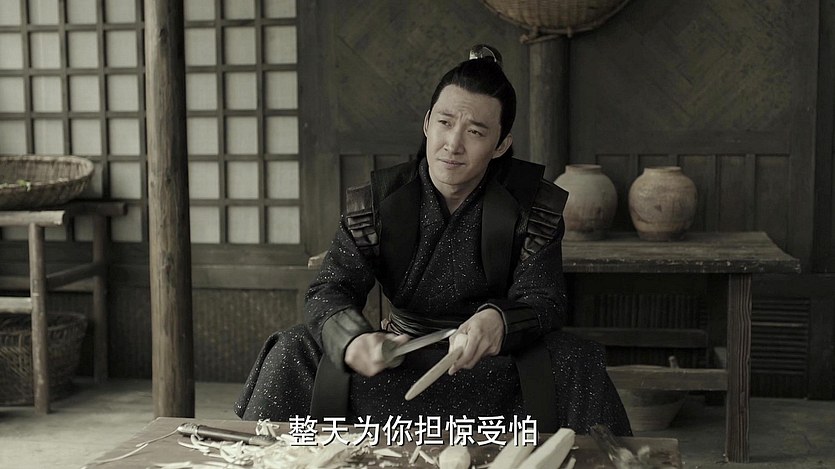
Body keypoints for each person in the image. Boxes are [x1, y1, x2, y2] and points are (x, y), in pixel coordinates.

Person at [235, 44, 631, 436]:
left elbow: (544, 299)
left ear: (501, 144)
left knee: (574, 359)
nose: (453, 144)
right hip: (399, 358)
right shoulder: (378, 201)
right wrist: (353, 340)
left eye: (475, 132)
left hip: (492, 364)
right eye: (445, 122)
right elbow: (329, 289)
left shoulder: (533, 205)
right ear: (427, 123)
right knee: (294, 347)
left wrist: (498, 321)